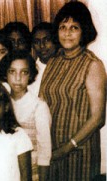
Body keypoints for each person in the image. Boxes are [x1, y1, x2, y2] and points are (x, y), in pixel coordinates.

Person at [39, 2, 106, 181]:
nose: (67, 33)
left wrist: (67, 147)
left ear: (84, 30)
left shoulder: (93, 65)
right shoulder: (53, 61)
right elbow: (41, 103)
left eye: (74, 27)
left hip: (79, 152)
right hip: (51, 150)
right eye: (63, 27)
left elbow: (98, 118)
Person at [0, 50, 52, 181]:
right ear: (5, 73)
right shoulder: (0, 102)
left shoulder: (38, 106)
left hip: (30, 174)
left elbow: (44, 151)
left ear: (31, 75)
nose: (17, 78)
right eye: (12, 71)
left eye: (24, 72)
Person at [29, 22, 58, 96]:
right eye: (36, 42)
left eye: (46, 40)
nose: (42, 46)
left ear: (55, 41)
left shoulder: (64, 68)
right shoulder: (30, 70)